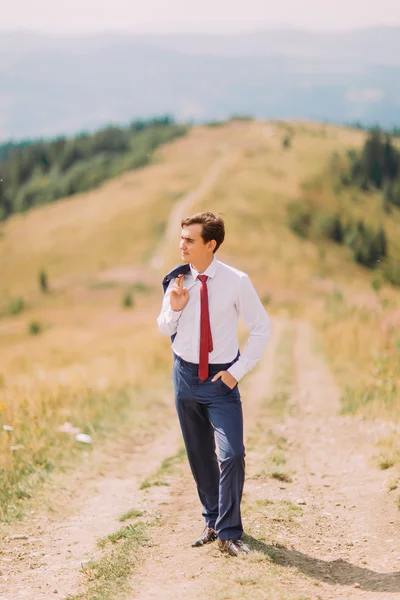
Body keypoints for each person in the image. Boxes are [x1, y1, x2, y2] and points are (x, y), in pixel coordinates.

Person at [157, 211, 271, 557]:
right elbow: (164, 327)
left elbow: (261, 328)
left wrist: (237, 371)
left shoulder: (236, 281)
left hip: (221, 378)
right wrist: (175, 309)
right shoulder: (176, 280)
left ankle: (231, 533)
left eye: (190, 240)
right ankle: (213, 522)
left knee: (232, 453)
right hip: (185, 376)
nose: (182, 245)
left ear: (211, 244)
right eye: (181, 238)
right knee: (199, 456)